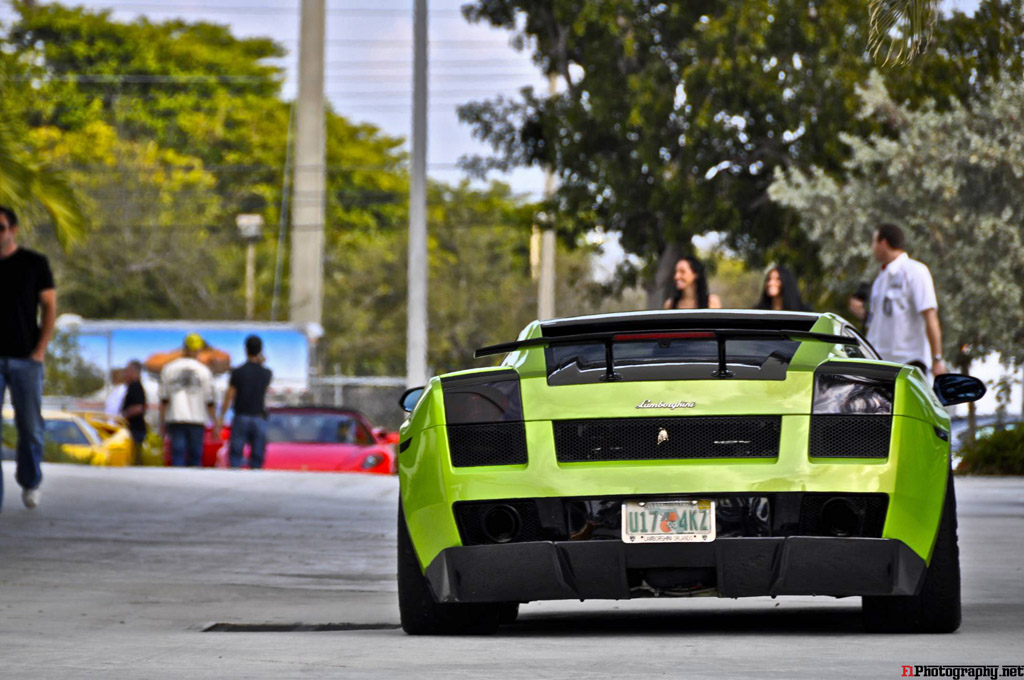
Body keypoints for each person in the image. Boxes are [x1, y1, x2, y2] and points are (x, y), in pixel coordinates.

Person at [0, 206, 55, 510]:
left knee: (31, 427)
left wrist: (39, 351)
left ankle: (30, 481)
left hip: (25, 358)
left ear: (13, 230)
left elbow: (49, 307)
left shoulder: (34, 264)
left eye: (1, 227)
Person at [866, 224, 947, 376]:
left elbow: (930, 315)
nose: (873, 248)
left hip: (908, 364)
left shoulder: (915, 271)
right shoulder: (880, 279)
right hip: (879, 364)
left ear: (883, 243)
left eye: (874, 242)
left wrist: (937, 359)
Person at [158, 333, 217, 466]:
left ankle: (178, 484)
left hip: (176, 419)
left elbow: (163, 400)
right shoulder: (204, 371)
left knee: (177, 456)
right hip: (197, 420)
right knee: (195, 458)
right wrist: (215, 423)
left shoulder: (169, 368)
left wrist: (161, 423)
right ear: (199, 349)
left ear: (184, 348)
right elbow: (210, 401)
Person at [219, 335, 273, 469]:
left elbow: (229, 395)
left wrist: (221, 416)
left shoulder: (238, 372)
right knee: (257, 455)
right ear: (260, 350)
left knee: (236, 455)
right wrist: (261, 361)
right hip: (258, 417)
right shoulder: (266, 373)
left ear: (245, 349)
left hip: (241, 416)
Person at [120, 360, 148, 466]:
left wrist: (122, 416)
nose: (125, 374)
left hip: (135, 429)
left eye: (127, 371)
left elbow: (138, 408)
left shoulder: (136, 387)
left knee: (134, 458)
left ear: (134, 372)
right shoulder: (130, 387)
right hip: (134, 429)